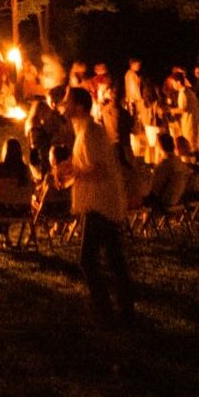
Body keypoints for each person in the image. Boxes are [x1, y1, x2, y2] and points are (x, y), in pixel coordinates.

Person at [66, 86, 134, 325]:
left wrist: (73, 172)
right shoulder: (86, 131)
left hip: (100, 204)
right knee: (115, 260)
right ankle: (125, 311)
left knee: (88, 260)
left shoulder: (90, 133)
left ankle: (104, 311)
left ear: (80, 106)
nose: (64, 105)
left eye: (68, 101)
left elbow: (100, 169)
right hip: (105, 202)